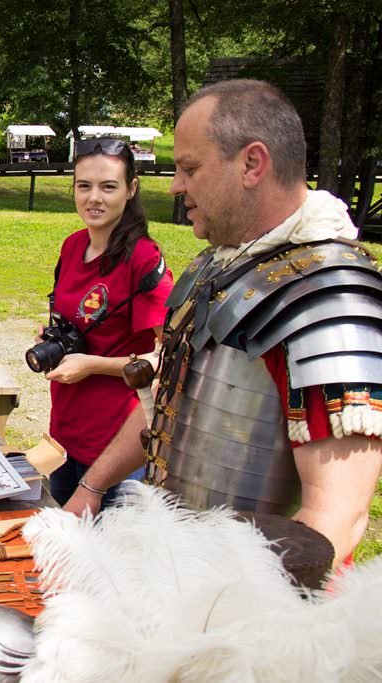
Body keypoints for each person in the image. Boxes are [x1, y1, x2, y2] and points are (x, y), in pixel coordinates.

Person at [147, 79, 382, 567]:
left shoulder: (325, 297)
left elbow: (334, 517)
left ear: (252, 164)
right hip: (176, 564)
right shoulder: (221, 264)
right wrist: (91, 486)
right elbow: (169, 411)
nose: (175, 185)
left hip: (252, 602)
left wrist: (227, 620)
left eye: (190, 168)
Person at [41, 137, 173, 516]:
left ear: (131, 190)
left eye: (108, 186)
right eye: (84, 186)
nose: (93, 198)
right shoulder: (72, 246)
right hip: (66, 435)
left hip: (117, 446)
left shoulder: (143, 260)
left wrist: (93, 364)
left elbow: (171, 359)